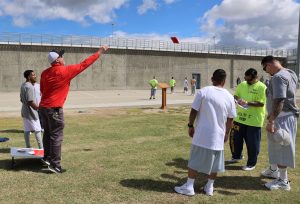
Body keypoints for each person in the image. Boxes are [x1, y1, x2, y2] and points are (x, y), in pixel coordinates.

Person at [39, 45, 109, 173]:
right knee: (56, 136)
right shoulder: (65, 71)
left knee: (48, 134)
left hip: (43, 107)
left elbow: (42, 90)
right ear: (58, 60)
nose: (63, 58)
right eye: (61, 56)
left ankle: (47, 158)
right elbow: (85, 64)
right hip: (54, 108)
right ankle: (55, 165)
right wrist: (100, 52)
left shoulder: (44, 73)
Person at [174, 69, 236, 196]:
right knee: (215, 162)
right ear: (224, 81)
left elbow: (193, 111)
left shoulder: (204, 91)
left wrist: (190, 125)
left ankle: (190, 186)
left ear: (213, 79)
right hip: (218, 135)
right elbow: (231, 118)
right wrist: (226, 133)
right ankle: (210, 187)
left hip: (202, 133)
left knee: (195, 159)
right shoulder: (229, 96)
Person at [260, 56, 298, 191]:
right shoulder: (290, 73)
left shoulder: (278, 77)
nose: (266, 71)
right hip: (285, 116)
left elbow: (280, 100)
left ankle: (283, 181)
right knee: (275, 147)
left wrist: (271, 120)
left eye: (265, 68)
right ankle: (274, 170)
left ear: (269, 64)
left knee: (282, 148)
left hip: (282, 117)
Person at [227, 68, 267, 171]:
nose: (247, 81)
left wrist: (247, 103)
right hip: (239, 118)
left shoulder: (262, 87)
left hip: (254, 121)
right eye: (246, 79)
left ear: (256, 77)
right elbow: (236, 95)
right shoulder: (242, 84)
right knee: (236, 140)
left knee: (252, 144)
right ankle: (236, 156)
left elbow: (261, 103)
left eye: (249, 80)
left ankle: (251, 163)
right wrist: (238, 99)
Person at [20, 70, 43, 149]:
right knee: (38, 130)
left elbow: (21, 100)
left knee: (27, 129)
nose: (35, 76)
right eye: (33, 75)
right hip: (31, 113)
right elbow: (30, 101)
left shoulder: (23, 85)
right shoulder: (30, 86)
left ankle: (28, 147)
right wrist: (38, 108)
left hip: (24, 111)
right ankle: (41, 148)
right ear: (29, 77)